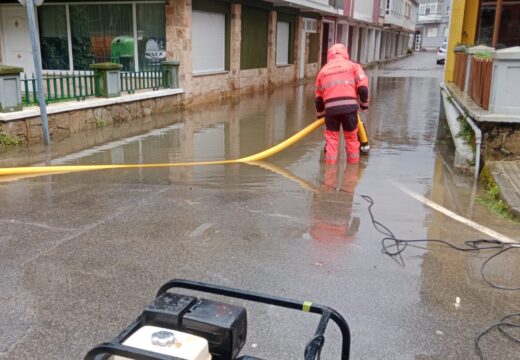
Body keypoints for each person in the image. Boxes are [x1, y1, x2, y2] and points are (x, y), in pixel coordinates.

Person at [315, 44, 369, 164]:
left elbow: (318, 99)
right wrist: (364, 105)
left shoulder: (323, 71)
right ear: (345, 53)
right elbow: (363, 88)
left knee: (332, 141)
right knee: (351, 139)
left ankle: (329, 173)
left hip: (331, 110)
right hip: (349, 109)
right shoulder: (353, 66)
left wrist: (320, 115)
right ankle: (353, 171)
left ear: (330, 55)